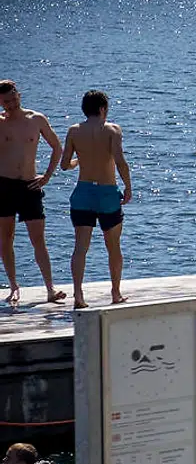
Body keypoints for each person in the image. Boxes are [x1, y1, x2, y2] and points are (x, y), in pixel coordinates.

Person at [61, 90, 132, 309]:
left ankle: (79, 295)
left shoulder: (74, 131)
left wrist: (79, 162)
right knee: (113, 246)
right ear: (103, 109)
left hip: (83, 193)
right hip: (107, 193)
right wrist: (128, 186)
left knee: (80, 247)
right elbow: (119, 161)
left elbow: (65, 164)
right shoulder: (111, 130)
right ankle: (115, 292)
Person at [0, 80, 66, 307]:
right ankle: (14, 286)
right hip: (4, 185)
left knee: (38, 238)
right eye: (5, 102)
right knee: (6, 237)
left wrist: (47, 176)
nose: (10, 105)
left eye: (12, 99)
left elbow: (57, 147)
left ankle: (50, 288)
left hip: (30, 185)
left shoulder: (36, 119)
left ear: (18, 94)